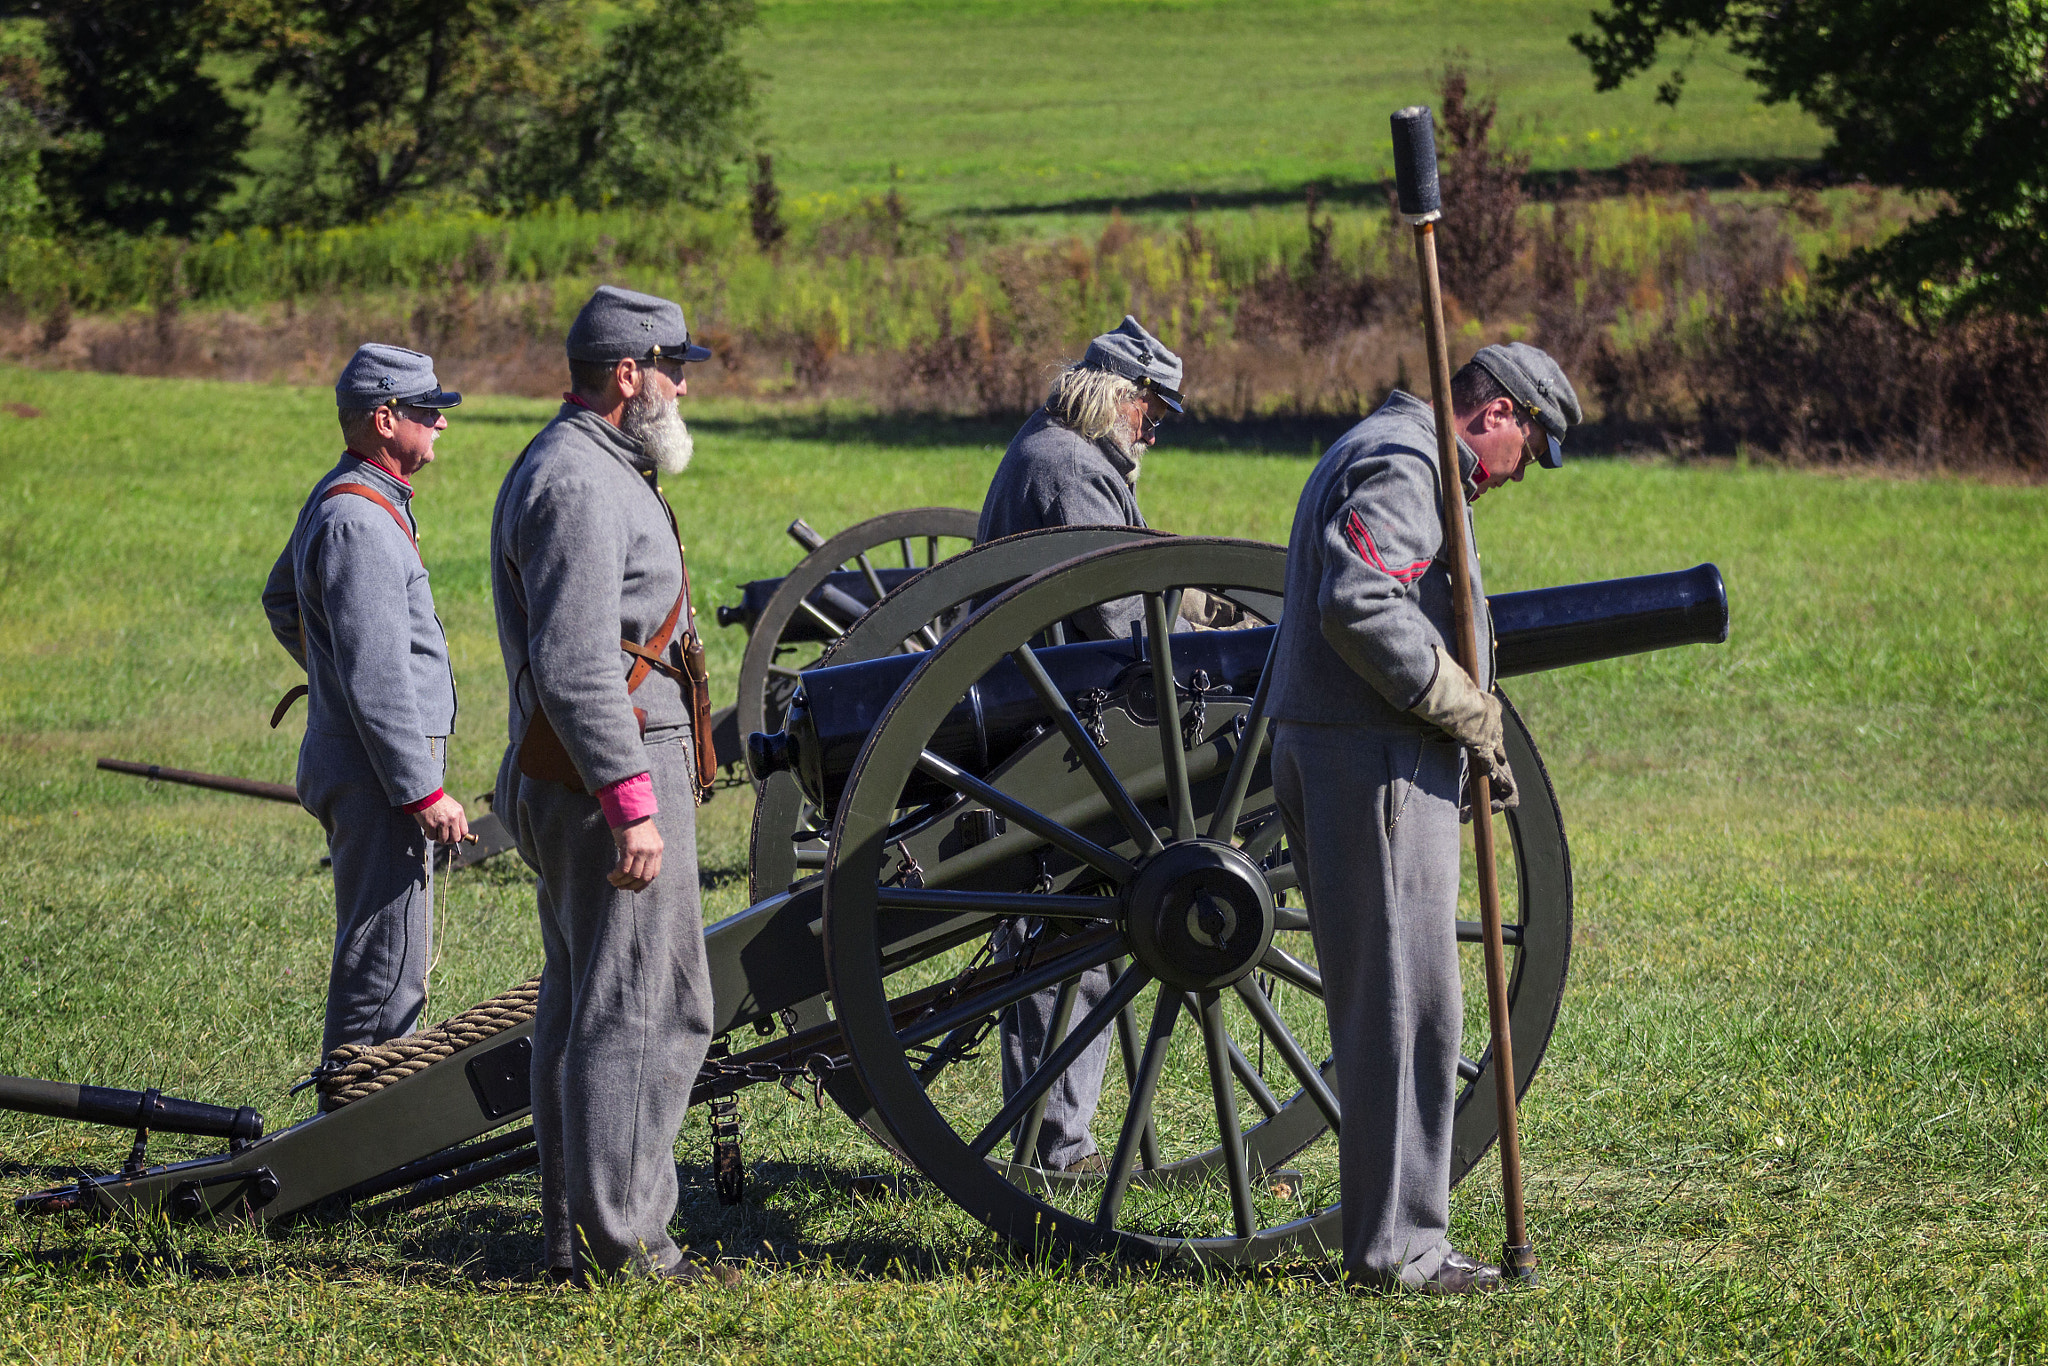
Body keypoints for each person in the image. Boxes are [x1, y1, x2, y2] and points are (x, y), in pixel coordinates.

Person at [1267, 342, 1580, 1294]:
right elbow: (1361, 601)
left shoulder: (1390, 446)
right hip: (1377, 761)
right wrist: (1459, 704)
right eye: (1529, 447)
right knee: (1406, 1016)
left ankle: (1398, 1237)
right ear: (1499, 416)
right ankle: (1398, 1254)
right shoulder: (1410, 460)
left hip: (1360, 750)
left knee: (1403, 1010)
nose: (1522, 472)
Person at [490, 285, 728, 1286]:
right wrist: (631, 797)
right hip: (606, 774)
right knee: (645, 1006)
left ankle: (573, 1239)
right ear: (626, 375)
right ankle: (628, 1246)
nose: (682, 387)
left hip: (602, 767)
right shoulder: (578, 480)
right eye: (673, 369)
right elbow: (577, 661)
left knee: (588, 1004)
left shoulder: (594, 465)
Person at [975, 315, 1210, 1173]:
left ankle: (1055, 1139)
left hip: (1054, 718)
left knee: (1070, 950)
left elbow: (1125, 576)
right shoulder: (1069, 467)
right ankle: (1051, 1147)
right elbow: (1116, 625)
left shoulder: (1062, 454)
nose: (1155, 429)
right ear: (1121, 397)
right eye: (1154, 411)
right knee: (1060, 948)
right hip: (1053, 736)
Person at [263, 344, 468, 1060]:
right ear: (386, 419)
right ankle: (345, 1147)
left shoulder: (348, 495)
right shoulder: (360, 521)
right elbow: (379, 678)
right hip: (382, 776)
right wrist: (423, 790)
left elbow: (283, 600)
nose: (441, 424)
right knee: (385, 978)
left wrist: (331, 673)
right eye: (428, 412)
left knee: (385, 964)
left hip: (368, 761)